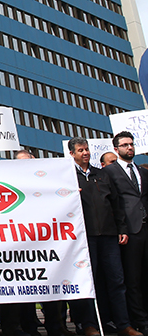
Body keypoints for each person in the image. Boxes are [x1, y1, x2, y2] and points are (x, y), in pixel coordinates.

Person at [68, 137, 139, 336]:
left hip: (109, 236)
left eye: (87, 149)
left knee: (117, 280)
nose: (85, 153)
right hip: (85, 238)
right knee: (89, 282)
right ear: (72, 153)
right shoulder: (69, 177)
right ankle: (89, 324)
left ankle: (124, 324)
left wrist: (121, 229)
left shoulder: (103, 174)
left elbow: (116, 204)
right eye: (80, 150)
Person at [104, 131, 148, 333]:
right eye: (124, 145)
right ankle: (140, 320)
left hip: (146, 227)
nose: (129, 148)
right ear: (116, 149)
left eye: (131, 144)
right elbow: (114, 203)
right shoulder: (110, 172)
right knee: (133, 279)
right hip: (130, 230)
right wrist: (121, 228)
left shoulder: (143, 171)